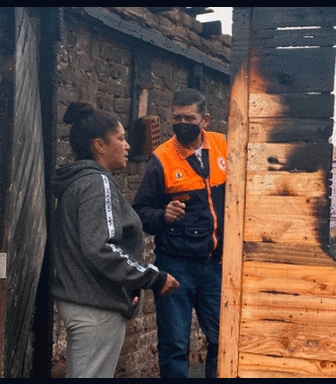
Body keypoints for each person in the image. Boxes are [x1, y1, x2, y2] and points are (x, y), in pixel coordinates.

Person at [51, 102, 180, 378]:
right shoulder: (97, 184)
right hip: (96, 306)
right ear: (99, 145)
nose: (128, 146)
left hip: (83, 302)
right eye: (120, 139)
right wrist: (153, 277)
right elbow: (101, 247)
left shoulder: (78, 182)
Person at [132, 88, 227, 378]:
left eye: (189, 117)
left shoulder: (223, 146)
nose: (182, 122)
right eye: (177, 117)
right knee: (174, 344)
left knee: (223, 340)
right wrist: (163, 216)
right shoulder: (161, 159)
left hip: (215, 264)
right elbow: (140, 212)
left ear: (205, 120)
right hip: (176, 265)